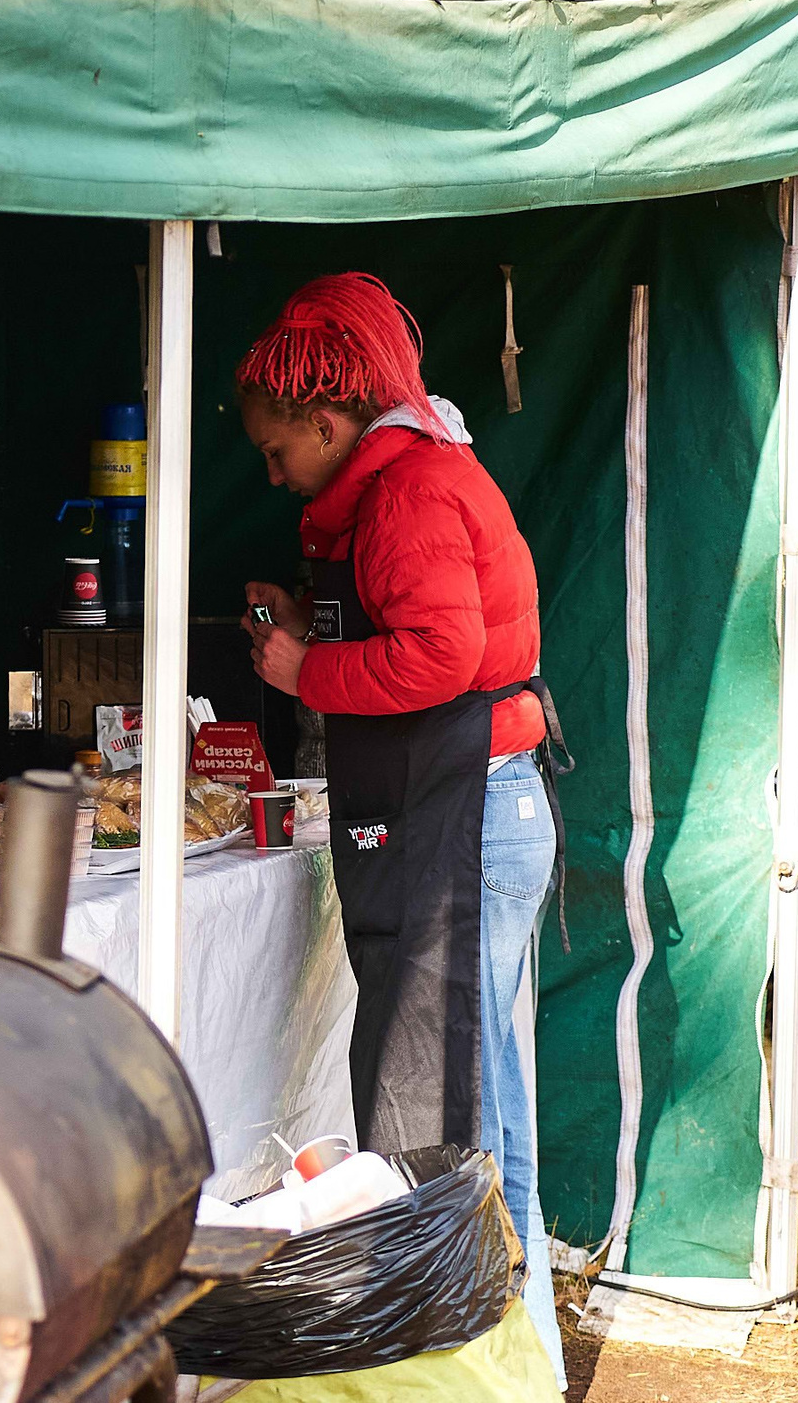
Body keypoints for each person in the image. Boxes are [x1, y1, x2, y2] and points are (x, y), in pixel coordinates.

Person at [238, 272, 562, 1381]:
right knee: (484, 1114)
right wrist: (310, 622)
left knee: (454, 1121)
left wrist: (305, 670)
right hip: (482, 805)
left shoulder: (408, 493)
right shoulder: (403, 481)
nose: (273, 473)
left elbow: (439, 654)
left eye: (279, 450)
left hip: (470, 814)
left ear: (330, 423)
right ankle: (522, 1364)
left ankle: (488, 1368)